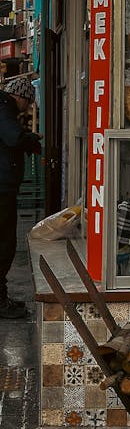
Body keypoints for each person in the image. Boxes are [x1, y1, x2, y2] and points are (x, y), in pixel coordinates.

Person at [0, 76, 42, 319]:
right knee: (5, 244)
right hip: (2, 189)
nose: (28, 108)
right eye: (28, 102)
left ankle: (1, 296)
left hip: (5, 187)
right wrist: (31, 138)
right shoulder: (3, 107)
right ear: (20, 97)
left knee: (5, 243)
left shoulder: (4, 108)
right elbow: (12, 137)